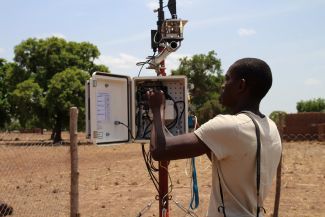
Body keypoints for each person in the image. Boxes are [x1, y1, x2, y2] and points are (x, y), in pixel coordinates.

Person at [147, 58, 282, 217]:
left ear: (241, 85)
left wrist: (157, 109)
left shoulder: (230, 126)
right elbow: (229, 162)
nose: (222, 85)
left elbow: (159, 151)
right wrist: (203, 135)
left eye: (227, 79)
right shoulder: (271, 127)